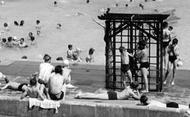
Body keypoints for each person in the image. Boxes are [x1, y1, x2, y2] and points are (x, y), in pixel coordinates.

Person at [75, 82, 140, 100]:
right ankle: (80, 95)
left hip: (114, 93)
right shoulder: (131, 92)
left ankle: (81, 94)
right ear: (135, 87)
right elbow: (138, 98)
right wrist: (137, 91)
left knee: (96, 95)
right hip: (113, 96)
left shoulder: (128, 88)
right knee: (96, 96)